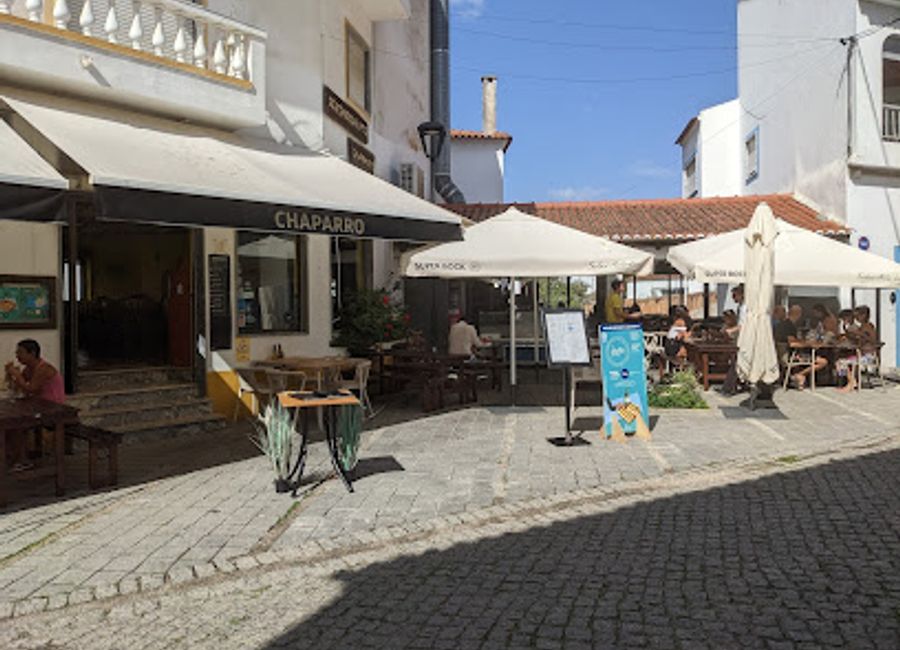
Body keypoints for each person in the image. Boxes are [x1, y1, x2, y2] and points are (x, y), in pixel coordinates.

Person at [4, 339, 65, 470]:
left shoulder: (44, 368)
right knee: (8, 425)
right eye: (16, 353)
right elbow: (19, 387)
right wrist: (11, 376)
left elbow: (30, 389)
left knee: (16, 425)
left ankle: (22, 460)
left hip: (53, 409)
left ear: (32, 353)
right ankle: (13, 456)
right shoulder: (28, 369)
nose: (17, 356)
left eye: (20, 352)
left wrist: (16, 375)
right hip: (37, 406)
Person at [837, 306, 878, 392]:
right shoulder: (862, 326)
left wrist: (861, 335)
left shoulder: (868, 326)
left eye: (857, 316)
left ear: (864, 315)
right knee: (842, 360)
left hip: (868, 356)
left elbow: (873, 340)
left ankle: (851, 383)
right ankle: (849, 381)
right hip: (861, 353)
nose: (856, 318)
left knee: (842, 362)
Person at [787, 305, 828, 390]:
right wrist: (809, 344)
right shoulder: (789, 326)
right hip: (795, 355)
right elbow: (792, 344)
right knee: (823, 362)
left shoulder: (790, 325)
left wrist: (806, 343)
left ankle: (800, 376)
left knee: (819, 356)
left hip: (797, 353)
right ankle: (800, 375)